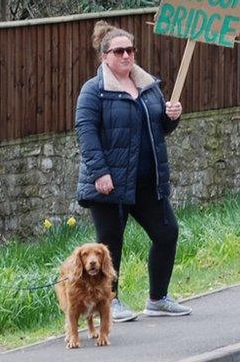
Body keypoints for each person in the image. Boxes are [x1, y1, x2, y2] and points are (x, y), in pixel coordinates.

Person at [75, 20, 189, 322]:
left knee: (167, 233)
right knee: (110, 244)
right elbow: (86, 133)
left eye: (130, 50)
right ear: (105, 57)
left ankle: (158, 298)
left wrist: (171, 117)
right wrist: (100, 173)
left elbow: (159, 128)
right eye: (119, 51)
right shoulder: (94, 91)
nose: (126, 56)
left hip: (146, 182)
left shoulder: (148, 87)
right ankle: (109, 301)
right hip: (110, 184)